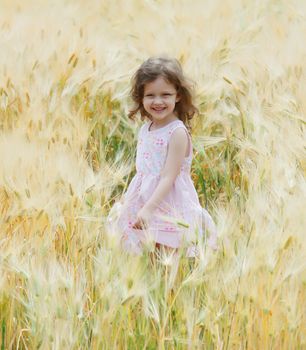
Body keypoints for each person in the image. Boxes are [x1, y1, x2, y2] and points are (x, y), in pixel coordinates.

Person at [112, 56, 218, 257]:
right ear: (140, 98)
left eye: (166, 94)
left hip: (168, 202)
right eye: (150, 95)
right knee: (148, 253)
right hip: (143, 197)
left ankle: (172, 286)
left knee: (169, 253)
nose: (158, 101)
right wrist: (130, 200)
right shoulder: (146, 129)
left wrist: (149, 209)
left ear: (178, 96)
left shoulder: (176, 132)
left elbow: (169, 176)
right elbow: (144, 171)